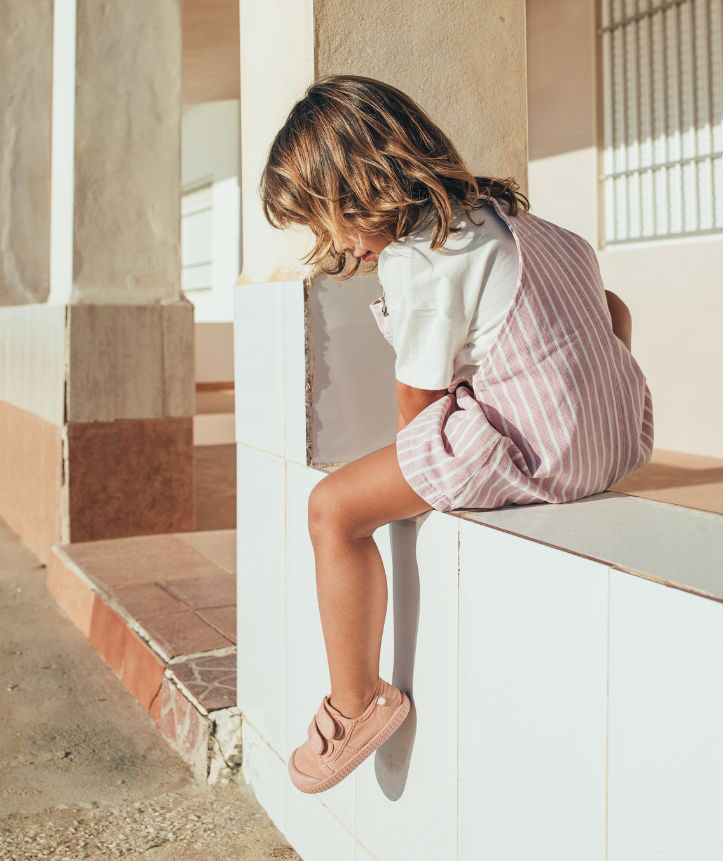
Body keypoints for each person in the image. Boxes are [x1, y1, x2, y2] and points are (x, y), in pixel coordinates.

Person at [259, 74, 654, 794]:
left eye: (331, 224)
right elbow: (609, 309)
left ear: (361, 191)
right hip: (616, 436)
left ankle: (355, 703)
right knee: (599, 313)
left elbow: (418, 395)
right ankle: (567, 432)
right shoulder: (525, 225)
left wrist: (407, 472)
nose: (339, 244)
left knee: (333, 508)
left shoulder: (421, 256)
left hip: (536, 452)